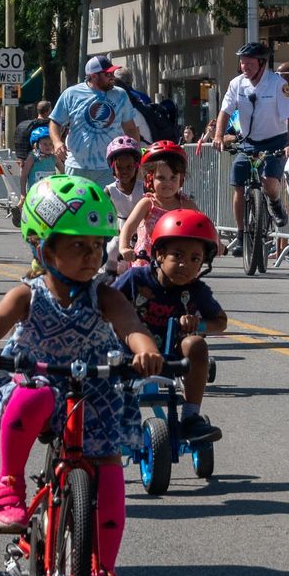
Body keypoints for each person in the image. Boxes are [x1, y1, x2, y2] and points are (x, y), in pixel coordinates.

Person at [0, 175, 162, 576]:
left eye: (96, 247)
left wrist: (145, 349)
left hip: (94, 391)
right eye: (78, 247)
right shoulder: (27, 295)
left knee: (109, 472)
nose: (91, 257)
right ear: (42, 247)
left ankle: (103, 574)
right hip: (38, 383)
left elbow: (129, 323)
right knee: (32, 394)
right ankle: (9, 485)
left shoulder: (105, 294)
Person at [114, 208, 229, 444]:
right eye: (177, 255)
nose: (185, 265)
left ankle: (190, 418)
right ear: (159, 254)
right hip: (128, 357)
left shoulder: (196, 290)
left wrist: (199, 325)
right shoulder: (136, 279)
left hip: (172, 357)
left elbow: (221, 322)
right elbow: (105, 303)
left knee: (196, 344)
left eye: (195, 259)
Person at [204, 42, 289, 253]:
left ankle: (274, 203)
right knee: (238, 182)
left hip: (276, 139)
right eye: (242, 62)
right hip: (249, 141)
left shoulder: (277, 84)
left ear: (262, 63)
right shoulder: (237, 84)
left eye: (249, 63)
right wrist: (219, 136)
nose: (244, 67)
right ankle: (240, 233)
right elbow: (225, 112)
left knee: (269, 181)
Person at [52, 54, 147, 188]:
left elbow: (130, 129)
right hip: (77, 165)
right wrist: (57, 142)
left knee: (107, 207)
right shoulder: (71, 94)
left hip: (109, 166)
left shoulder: (120, 94)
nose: (112, 77)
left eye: (113, 73)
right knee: (78, 207)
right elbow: (55, 121)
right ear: (94, 76)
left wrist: (137, 158)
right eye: (108, 75)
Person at [118, 140, 199, 261]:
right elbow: (129, 227)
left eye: (173, 178)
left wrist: (216, 242)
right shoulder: (148, 203)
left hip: (176, 264)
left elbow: (203, 225)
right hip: (146, 261)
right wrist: (124, 247)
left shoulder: (186, 204)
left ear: (181, 179)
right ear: (150, 179)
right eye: (161, 178)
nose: (168, 183)